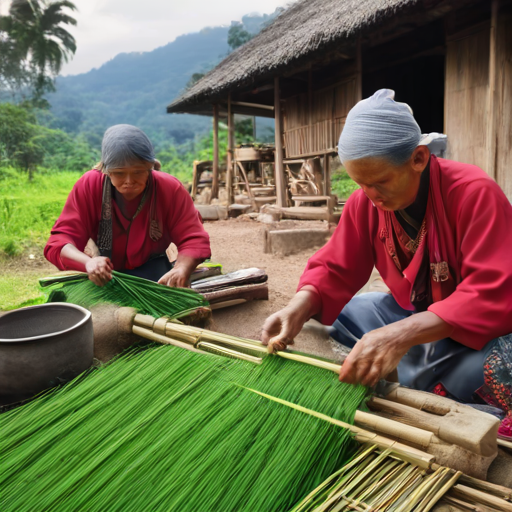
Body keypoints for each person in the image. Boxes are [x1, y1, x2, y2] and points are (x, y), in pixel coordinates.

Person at [262, 89, 512, 439]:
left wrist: (401, 335)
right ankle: (417, 367)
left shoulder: (474, 192)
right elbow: (335, 267)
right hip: (417, 315)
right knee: (355, 311)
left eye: (380, 182)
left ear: (419, 158)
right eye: (360, 184)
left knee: (499, 369)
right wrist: (297, 307)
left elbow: (493, 290)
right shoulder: (365, 202)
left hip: (475, 330)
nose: (371, 195)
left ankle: (421, 371)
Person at [45, 124, 211, 287]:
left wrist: (182, 268)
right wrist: (88, 263)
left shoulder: (169, 188)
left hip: (153, 269)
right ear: (106, 170)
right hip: (101, 273)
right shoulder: (89, 185)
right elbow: (61, 240)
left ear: (150, 167)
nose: (129, 181)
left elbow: (193, 238)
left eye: (138, 172)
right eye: (119, 173)